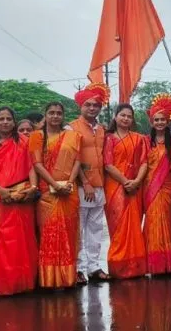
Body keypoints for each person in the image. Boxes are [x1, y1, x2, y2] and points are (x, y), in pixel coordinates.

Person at [0, 106, 39, 296]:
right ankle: (5, 286)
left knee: (24, 241)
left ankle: (25, 283)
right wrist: (0, 191)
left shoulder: (25, 141)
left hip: (22, 197)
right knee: (1, 242)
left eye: (8, 119)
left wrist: (33, 187)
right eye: (1, 119)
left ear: (14, 121)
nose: (5, 122)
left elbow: (32, 166)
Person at [29, 102, 83, 287]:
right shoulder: (36, 136)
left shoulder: (73, 136)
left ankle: (68, 277)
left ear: (63, 115)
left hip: (69, 191)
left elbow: (77, 162)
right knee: (49, 233)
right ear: (45, 115)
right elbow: (37, 164)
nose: (55, 116)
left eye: (59, 113)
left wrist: (69, 183)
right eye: (51, 113)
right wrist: (54, 184)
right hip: (47, 192)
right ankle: (49, 279)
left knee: (68, 233)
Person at [103, 104, 150, 278]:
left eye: (129, 116)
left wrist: (136, 181)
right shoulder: (108, 139)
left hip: (135, 187)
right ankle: (118, 267)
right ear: (115, 117)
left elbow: (145, 162)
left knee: (135, 225)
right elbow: (108, 165)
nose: (126, 118)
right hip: (115, 187)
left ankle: (136, 267)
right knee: (118, 227)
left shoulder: (139, 138)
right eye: (122, 115)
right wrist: (125, 181)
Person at [70, 83, 111, 282]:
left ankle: (94, 267)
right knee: (78, 228)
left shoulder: (102, 129)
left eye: (96, 105)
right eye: (88, 104)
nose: (92, 108)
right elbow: (72, 159)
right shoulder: (71, 128)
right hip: (81, 186)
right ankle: (78, 268)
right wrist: (85, 182)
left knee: (96, 228)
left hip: (100, 184)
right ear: (81, 106)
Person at [144, 94, 171, 275]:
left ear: (168, 121)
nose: (159, 122)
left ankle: (170, 263)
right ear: (151, 122)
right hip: (151, 188)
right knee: (153, 223)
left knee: (169, 223)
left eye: (162, 119)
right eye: (156, 120)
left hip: (168, 188)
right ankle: (156, 265)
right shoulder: (145, 142)